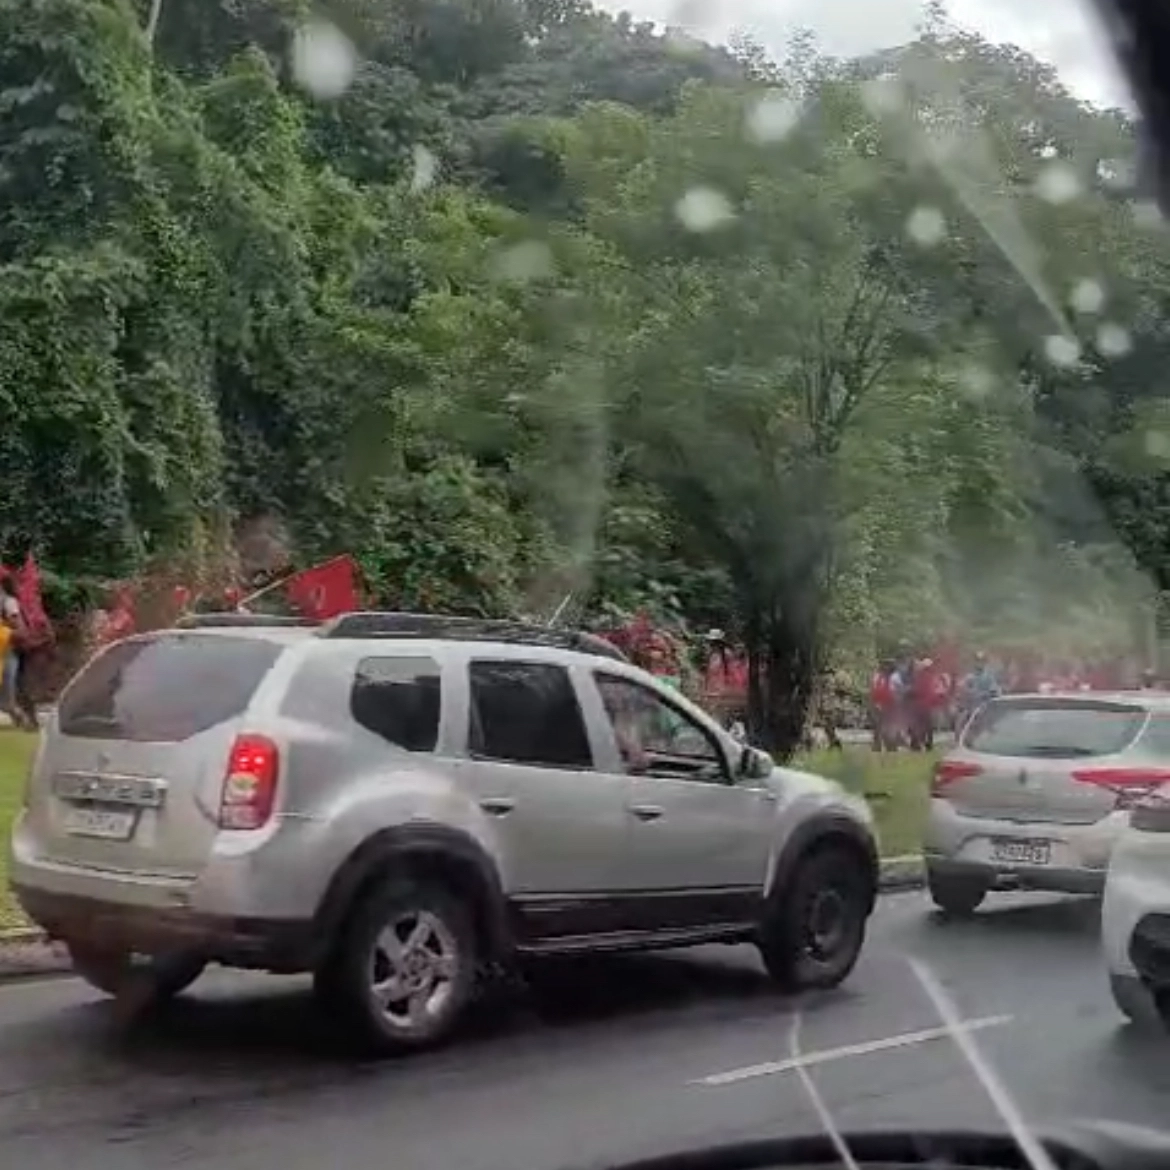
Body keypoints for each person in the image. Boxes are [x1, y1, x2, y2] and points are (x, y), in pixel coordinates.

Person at [0, 575, 36, 730]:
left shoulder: (8, 603)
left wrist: (4, 630)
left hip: (7, 653)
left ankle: (25, 721)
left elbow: (20, 631)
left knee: (8, 699)